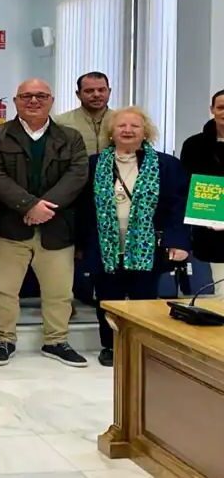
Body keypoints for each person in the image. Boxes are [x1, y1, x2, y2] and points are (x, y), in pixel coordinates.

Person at [0, 79, 89, 367]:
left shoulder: (71, 137)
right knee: (4, 290)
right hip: (8, 227)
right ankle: (4, 339)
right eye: (26, 96)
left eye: (41, 96)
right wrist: (29, 205)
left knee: (59, 291)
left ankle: (56, 341)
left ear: (51, 100)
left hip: (56, 226)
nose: (33, 101)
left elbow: (77, 175)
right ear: (16, 101)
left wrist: (44, 207)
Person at [79, 107, 189, 367]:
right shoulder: (93, 164)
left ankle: (143, 346)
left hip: (147, 247)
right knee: (108, 299)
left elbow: (178, 206)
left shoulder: (166, 165)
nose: (127, 130)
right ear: (111, 132)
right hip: (105, 246)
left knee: (144, 299)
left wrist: (178, 241)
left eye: (134, 126)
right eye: (121, 126)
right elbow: (82, 208)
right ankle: (110, 345)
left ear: (145, 132)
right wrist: (80, 245)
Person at [179, 89, 224, 297]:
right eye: (221, 107)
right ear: (212, 110)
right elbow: (186, 184)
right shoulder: (194, 145)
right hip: (211, 228)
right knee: (221, 289)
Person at [55, 72, 114, 156]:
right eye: (89, 91)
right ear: (78, 94)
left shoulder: (123, 121)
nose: (96, 95)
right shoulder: (60, 122)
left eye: (101, 90)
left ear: (109, 92)